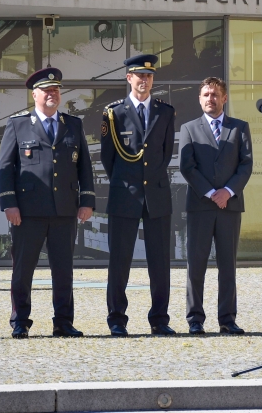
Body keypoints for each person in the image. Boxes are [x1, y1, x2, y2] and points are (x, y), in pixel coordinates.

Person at [0, 67, 95, 339]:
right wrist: (9, 204)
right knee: (23, 270)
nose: (52, 94)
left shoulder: (73, 124)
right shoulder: (18, 125)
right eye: (46, 90)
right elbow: (5, 168)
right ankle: (20, 321)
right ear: (34, 94)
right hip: (28, 212)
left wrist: (86, 201)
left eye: (56, 90)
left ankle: (63, 322)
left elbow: (84, 167)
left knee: (63, 270)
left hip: (64, 210)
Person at [101, 54, 176, 337]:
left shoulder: (165, 112)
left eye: (148, 76)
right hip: (124, 195)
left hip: (156, 195)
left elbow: (166, 154)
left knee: (160, 263)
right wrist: (127, 183)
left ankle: (159, 318)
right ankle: (117, 319)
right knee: (119, 262)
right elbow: (109, 159)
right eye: (139, 76)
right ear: (128, 78)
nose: (144, 81)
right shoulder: (113, 112)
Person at [179, 77, 253, 335]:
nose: (210, 98)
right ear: (199, 99)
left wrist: (228, 192)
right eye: (206, 95)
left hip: (229, 207)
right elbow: (186, 167)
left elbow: (246, 165)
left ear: (224, 98)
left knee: (227, 265)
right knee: (196, 264)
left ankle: (227, 319)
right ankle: (195, 319)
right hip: (201, 205)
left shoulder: (240, 128)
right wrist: (211, 193)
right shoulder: (188, 128)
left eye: (215, 94)